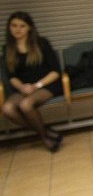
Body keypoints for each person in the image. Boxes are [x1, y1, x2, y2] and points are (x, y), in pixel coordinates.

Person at [1, 11, 63, 152]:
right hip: (24, 88)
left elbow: (55, 71)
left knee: (26, 104)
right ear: (9, 27)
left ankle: (43, 137)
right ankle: (44, 130)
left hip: (46, 84)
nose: (17, 29)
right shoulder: (8, 49)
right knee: (7, 108)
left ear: (29, 28)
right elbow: (12, 76)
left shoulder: (42, 43)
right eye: (14, 25)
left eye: (22, 26)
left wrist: (36, 86)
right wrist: (22, 87)